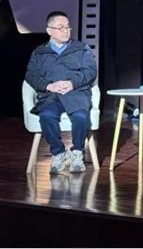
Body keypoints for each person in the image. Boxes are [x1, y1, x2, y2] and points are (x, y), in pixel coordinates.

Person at [25, 11, 97, 173]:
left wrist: (72, 83)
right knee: (46, 116)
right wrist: (48, 86)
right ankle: (58, 153)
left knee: (80, 117)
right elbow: (31, 75)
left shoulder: (81, 48)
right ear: (49, 31)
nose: (66, 31)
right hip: (51, 96)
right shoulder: (39, 52)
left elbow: (91, 71)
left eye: (68, 27)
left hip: (76, 93)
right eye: (61, 27)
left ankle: (78, 152)